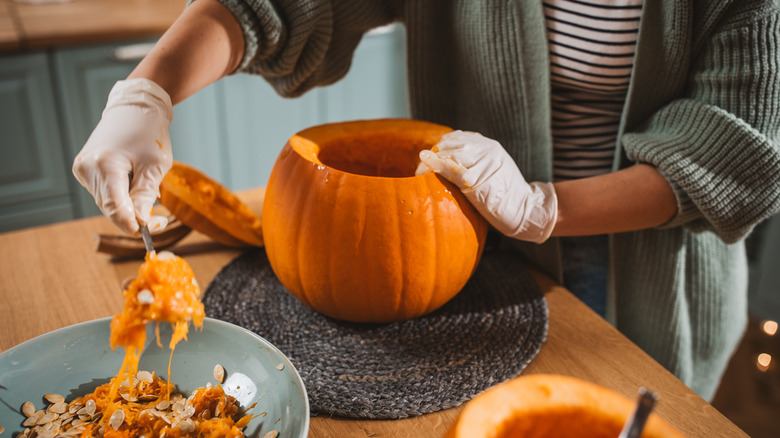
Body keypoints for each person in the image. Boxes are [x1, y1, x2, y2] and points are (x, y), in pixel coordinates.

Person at [72, 0, 780, 401]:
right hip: (474, 263)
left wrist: (541, 207)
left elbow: (738, 143)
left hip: (656, 275)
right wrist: (148, 89)